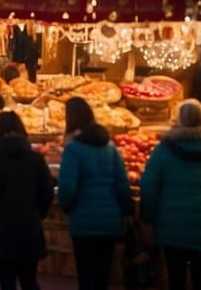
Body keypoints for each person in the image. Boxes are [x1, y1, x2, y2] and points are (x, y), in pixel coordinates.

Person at [56, 97, 133, 290]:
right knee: (103, 276)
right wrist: (126, 211)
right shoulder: (110, 148)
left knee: (86, 276)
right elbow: (122, 184)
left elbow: (67, 189)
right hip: (110, 221)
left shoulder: (72, 150)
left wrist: (67, 207)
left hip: (83, 223)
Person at [0, 111, 54, 290]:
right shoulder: (36, 159)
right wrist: (38, 213)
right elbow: (47, 192)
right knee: (29, 280)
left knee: (6, 282)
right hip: (29, 227)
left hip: (1, 229)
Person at [139, 99, 201, 290]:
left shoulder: (163, 150)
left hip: (172, 227)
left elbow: (149, 187)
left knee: (176, 278)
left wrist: (147, 218)